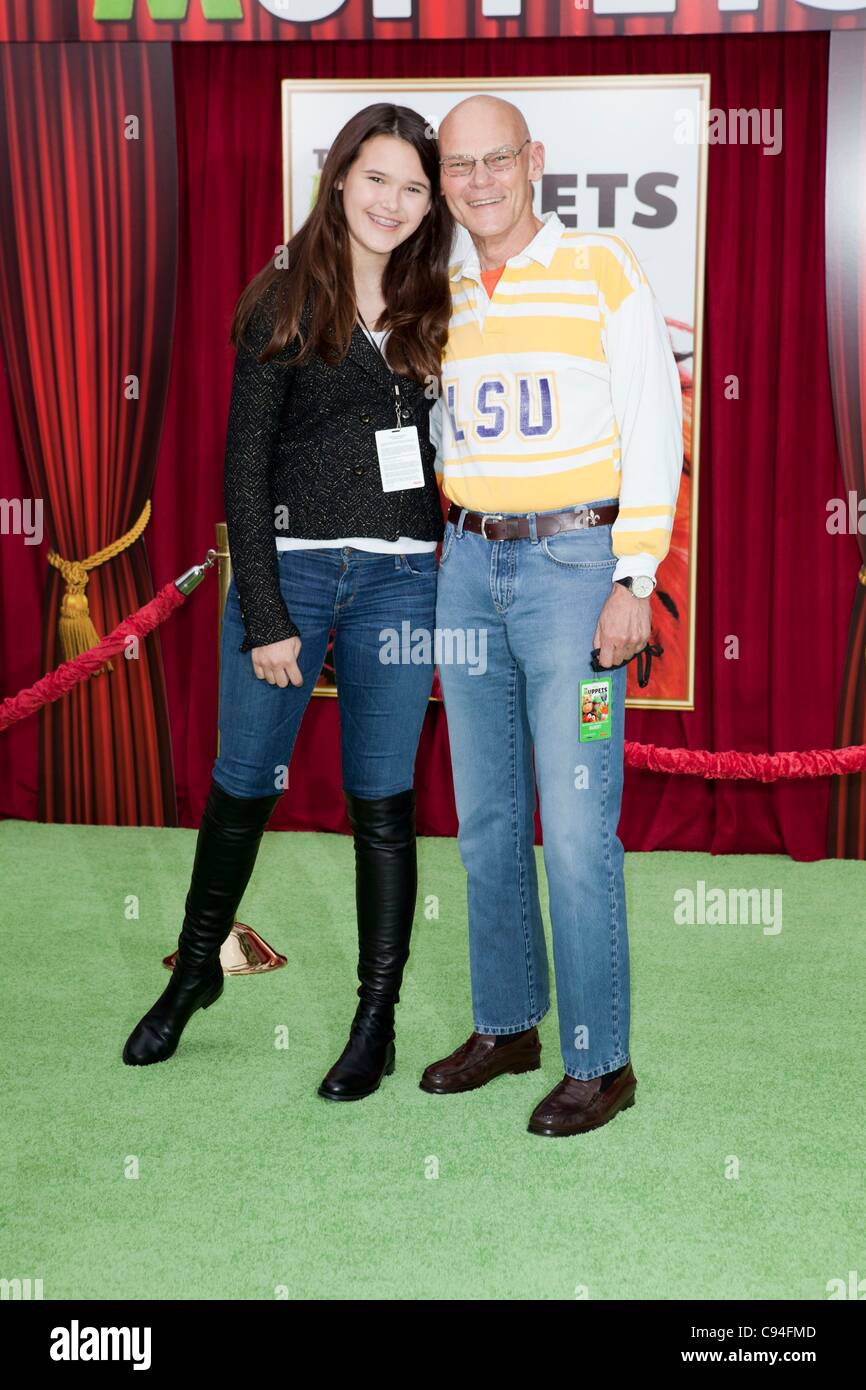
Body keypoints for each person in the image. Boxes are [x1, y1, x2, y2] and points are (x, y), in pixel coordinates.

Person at [122, 104, 454, 1101]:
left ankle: (374, 1022)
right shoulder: (283, 293)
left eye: (412, 187)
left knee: (382, 804)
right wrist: (265, 613)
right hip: (295, 576)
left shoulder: (440, 296)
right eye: (376, 179)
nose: (391, 202)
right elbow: (242, 464)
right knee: (243, 787)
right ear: (339, 178)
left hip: (402, 579)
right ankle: (192, 974)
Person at [422, 95, 684, 1137]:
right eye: (457, 167)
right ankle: (506, 1024)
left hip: (575, 575)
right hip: (464, 570)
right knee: (485, 822)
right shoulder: (434, 291)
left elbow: (651, 421)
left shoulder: (600, 268)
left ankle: (600, 1060)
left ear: (533, 161)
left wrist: (634, 577)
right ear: (441, 180)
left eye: (496, 160)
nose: (478, 181)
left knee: (574, 828)